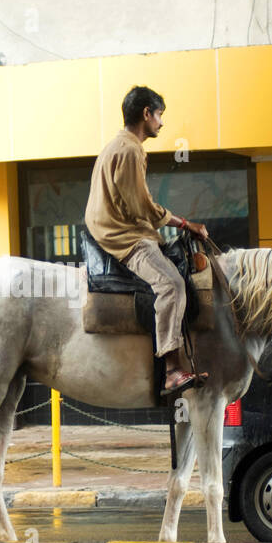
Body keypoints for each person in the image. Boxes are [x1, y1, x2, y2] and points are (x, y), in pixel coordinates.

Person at [85, 86, 210, 395]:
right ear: (146, 114)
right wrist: (185, 223)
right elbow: (141, 206)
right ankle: (172, 370)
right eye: (159, 115)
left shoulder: (116, 145)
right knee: (172, 285)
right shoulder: (130, 150)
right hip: (124, 237)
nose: (161, 123)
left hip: (115, 227)